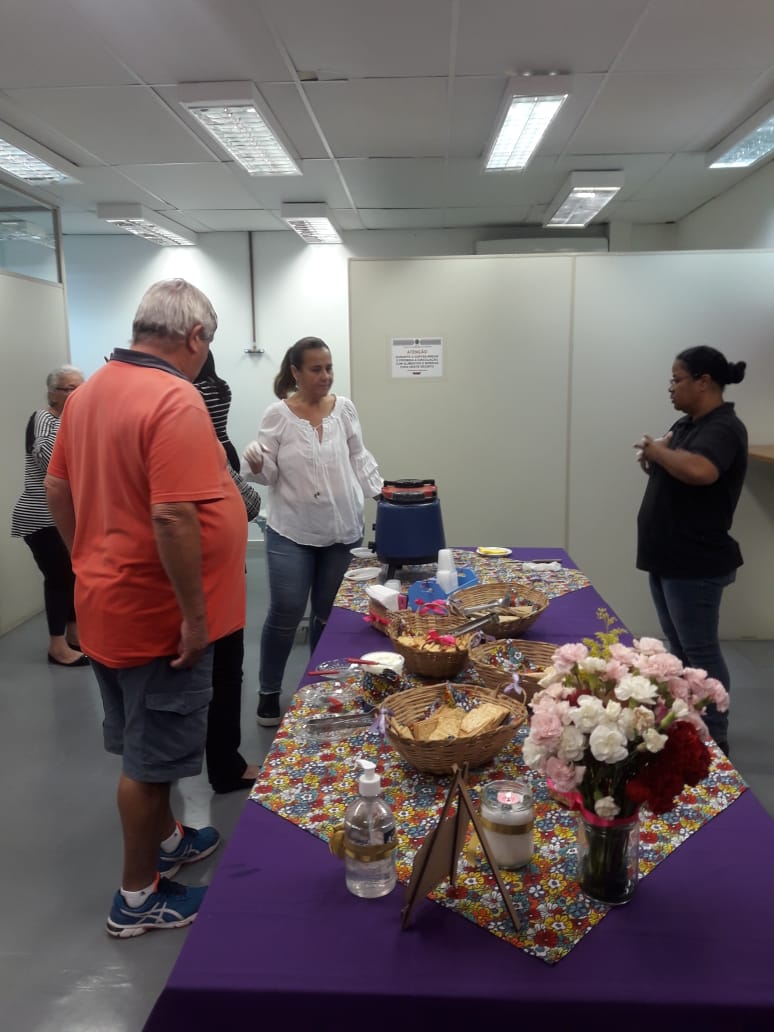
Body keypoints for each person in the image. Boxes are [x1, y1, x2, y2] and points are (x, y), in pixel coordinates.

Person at [45, 278, 247, 937]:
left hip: (107, 605)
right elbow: (172, 516)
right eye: (207, 344)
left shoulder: (91, 392)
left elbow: (58, 488)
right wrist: (193, 617)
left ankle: (169, 842)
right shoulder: (173, 397)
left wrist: (86, 561)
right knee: (149, 763)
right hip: (159, 620)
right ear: (194, 338)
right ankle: (138, 898)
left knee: (139, 737)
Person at [243, 336, 382, 727]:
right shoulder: (278, 414)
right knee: (286, 612)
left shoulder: (345, 409)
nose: (325, 376)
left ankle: (319, 685)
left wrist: (382, 496)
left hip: (341, 531)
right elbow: (267, 474)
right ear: (296, 372)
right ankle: (269, 690)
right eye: (316, 369)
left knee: (327, 614)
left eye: (329, 368)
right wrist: (255, 462)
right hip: (292, 532)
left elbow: (359, 456)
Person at [635, 345, 748, 755]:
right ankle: (687, 722)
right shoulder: (689, 424)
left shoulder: (723, 428)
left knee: (699, 651)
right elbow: (675, 460)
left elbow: (701, 471)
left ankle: (715, 737)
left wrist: (657, 450)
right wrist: (656, 456)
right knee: (679, 649)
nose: (670, 388)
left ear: (704, 382)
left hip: (694, 560)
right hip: (669, 556)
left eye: (676, 379)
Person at [194, 351, 261, 793]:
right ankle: (222, 763)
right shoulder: (210, 394)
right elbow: (250, 505)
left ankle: (219, 762)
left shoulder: (193, 399)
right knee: (218, 669)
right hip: (203, 586)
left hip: (207, 580)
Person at [11, 364, 88, 667]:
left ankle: (73, 636)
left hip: (59, 516)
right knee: (59, 578)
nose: (78, 392)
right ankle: (57, 646)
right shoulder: (44, 418)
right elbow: (46, 457)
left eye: (82, 386)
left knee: (71, 575)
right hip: (39, 518)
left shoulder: (70, 420)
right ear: (53, 394)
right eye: (71, 388)